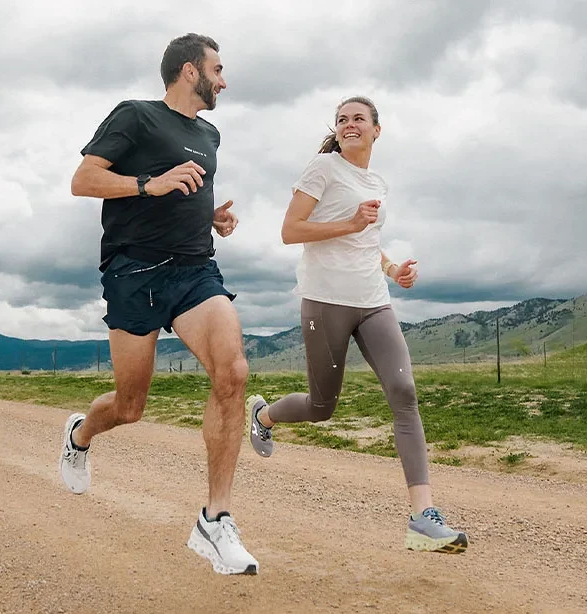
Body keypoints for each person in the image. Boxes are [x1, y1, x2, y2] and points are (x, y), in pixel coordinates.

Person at [59, 33, 259, 575]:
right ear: (191, 71)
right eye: (218, 69)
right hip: (135, 272)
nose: (224, 80)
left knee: (232, 371)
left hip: (195, 270)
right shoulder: (136, 116)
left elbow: (190, 190)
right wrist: (150, 183)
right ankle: (80, 434)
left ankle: (215, 521)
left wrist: (211, 215)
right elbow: (83, 180)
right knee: (130, 406)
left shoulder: (210, 134)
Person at [246, 96, 469, 554]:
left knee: (404, 394)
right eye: (343, 119)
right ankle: (262, 415)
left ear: (376, 130)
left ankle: (422, 518)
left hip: (373, 301)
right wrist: (348, 223)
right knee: (322, 406)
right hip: (326, 301)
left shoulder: (376, 181)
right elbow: (290, 231)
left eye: (359, 119)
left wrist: (392, 271)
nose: (350, 125)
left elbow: (369, 241)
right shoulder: (322, 169)